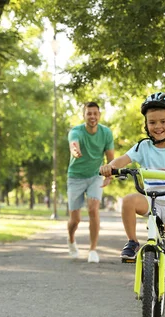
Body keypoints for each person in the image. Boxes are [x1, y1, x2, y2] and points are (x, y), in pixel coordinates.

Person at [99, 92, 165, 312]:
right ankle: (132, 242)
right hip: (150, 200)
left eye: (163, 122)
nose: (158, 126)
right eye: (152, 122)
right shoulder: (142, 147)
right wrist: (110, 167)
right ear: (146, 125)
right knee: (128, 200)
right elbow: (122, 160)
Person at [67, 102, 115, 263]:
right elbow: (73, 144)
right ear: (84, 115)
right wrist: (75, 151)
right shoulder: (76, 131)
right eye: (89, 113)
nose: (92, 116)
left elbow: (110, 158)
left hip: (95, 175)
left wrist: (109, 174)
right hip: (75, 177)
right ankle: (71, 239)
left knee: (93, 209)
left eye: (95, 113)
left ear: (99, 115)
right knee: (75, 220)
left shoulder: (106, 133)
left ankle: (93, 249)